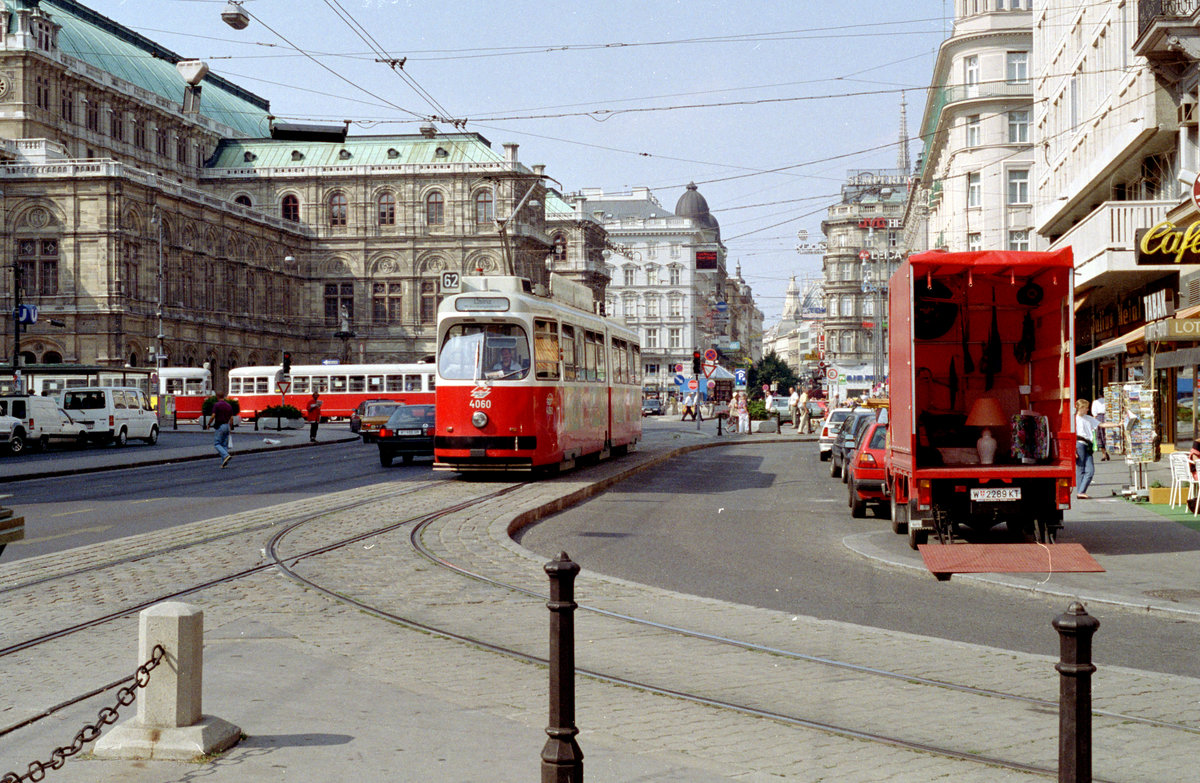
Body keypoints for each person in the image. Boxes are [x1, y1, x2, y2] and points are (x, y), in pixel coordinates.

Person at [1075, 398, 1100, 499]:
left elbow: (1100, 424)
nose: (1087, 410)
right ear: (1080, 408)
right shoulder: (1075, 419)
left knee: (1090, 470)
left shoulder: (1088, 418)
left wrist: (1117, 424)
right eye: (1086, 408)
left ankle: (1081, 491)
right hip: (1079, 443)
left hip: (1088, 444)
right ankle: (1081, 491)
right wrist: (1073, 450)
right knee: (1080, 468)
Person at [212, 391, 234, 468]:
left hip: (220, 426)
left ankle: (226, 455)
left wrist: (209, 423)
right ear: (224, 397)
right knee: (224, 445)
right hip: (227, 425)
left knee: (217, 444)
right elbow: (231, 418)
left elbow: (213, 415)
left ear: (217, 397)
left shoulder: (216, 405)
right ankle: (224, 462)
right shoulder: (228, 405)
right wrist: (231, 427)